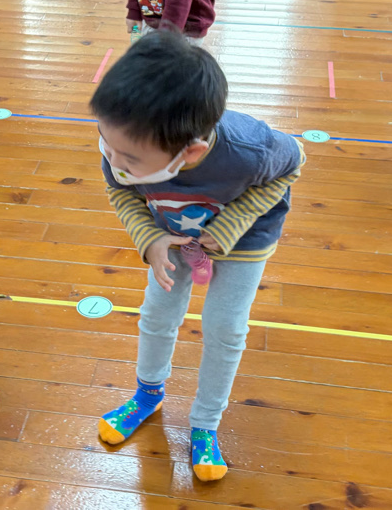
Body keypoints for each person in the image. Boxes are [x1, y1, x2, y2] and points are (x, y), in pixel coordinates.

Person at [90, 28, 305, 481]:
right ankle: (148, 395)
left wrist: (230, 225)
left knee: (225, 330)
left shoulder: (250, 149)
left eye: (128, 159)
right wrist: (148, 237)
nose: (113, 161)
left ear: (191, 152)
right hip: (169, 234)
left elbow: (293, 163)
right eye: (106, 143)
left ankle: (205, 423)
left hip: (244, 240)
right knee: (157, 314)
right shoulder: (124, 139)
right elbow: (120, 191)